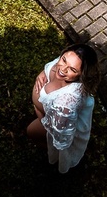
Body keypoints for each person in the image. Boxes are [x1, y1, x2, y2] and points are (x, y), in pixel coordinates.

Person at [26, 43, 100, 173]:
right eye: (63, 59)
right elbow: (53, 66)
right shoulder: (64, 63)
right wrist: (42, 74)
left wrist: (38, 111)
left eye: (72, 70)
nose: (62, 69)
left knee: (31, 132)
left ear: (81, 75)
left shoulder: (69, 101)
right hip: (51, 117)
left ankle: (57, 161)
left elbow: (59, 133)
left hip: (60, 126)